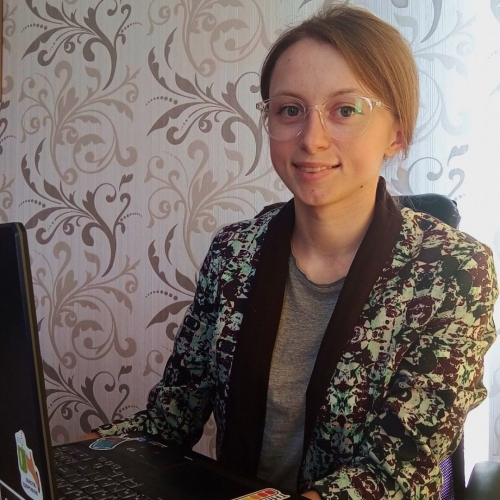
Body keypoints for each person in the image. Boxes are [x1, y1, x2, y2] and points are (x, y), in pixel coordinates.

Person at [80, 5, 498, 499]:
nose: (311, 139)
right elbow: (173, 414)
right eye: (290, 110)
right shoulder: (234, 253)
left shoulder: (455, 271)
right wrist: (76, 456)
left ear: (397, 131)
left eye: (346, 110)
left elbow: (393, 471)